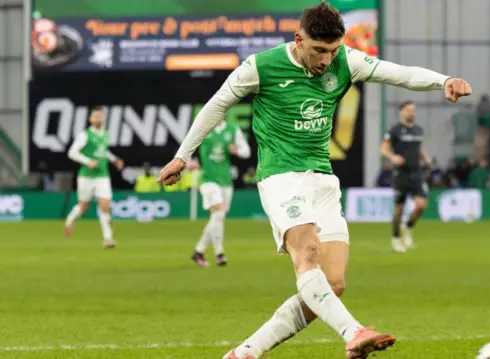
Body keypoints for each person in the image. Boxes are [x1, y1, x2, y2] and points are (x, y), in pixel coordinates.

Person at [156, 2, 471, 358]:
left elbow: (397, 73)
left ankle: (245, 352)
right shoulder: (260, 67)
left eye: (332, 50)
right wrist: (183, 155)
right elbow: (217, 104)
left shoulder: (345, 61)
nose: (326, 60)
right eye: (319, 50)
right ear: (299, 39)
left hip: (322, 179)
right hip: (280, 177)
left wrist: (443, 81)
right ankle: (354, 332)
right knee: (307, 253)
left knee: (332, 285)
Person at [191, 122, 250, 267]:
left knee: (218, 217)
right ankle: (219, 254)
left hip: (226, 181)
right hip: (208, 179)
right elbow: (187, 146)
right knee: (219, 212)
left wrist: (237, 151)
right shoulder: (203, 128)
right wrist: (188, 161)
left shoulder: (233, 129)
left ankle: (199, 251)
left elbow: (246, 151)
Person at [64, 106, 124, 248]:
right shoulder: (85, 135)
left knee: (105, 205)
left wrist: (114, 159)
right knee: (84, 207)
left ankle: (108, 238)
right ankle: (69, 220)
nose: (98, 118)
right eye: (95, 116)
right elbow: (72, 153)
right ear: (90, 119)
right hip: (86, 176)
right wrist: (88, 161)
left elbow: (103, 151)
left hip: (102, 175)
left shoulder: (105, 134)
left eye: (100, 116)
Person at [379, 101, 433, 252]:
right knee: (399, 208)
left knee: (421, 205)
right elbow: (383, 148)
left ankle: (408, 227)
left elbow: (419, 148)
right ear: (402, 112)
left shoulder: (418, 130)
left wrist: (426, 158)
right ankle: (396, 238)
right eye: (408, 110)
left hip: (416, 173)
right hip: (401, 173)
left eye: (413, 110)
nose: (411, 113)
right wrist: (392, 157)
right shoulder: (394, 131)